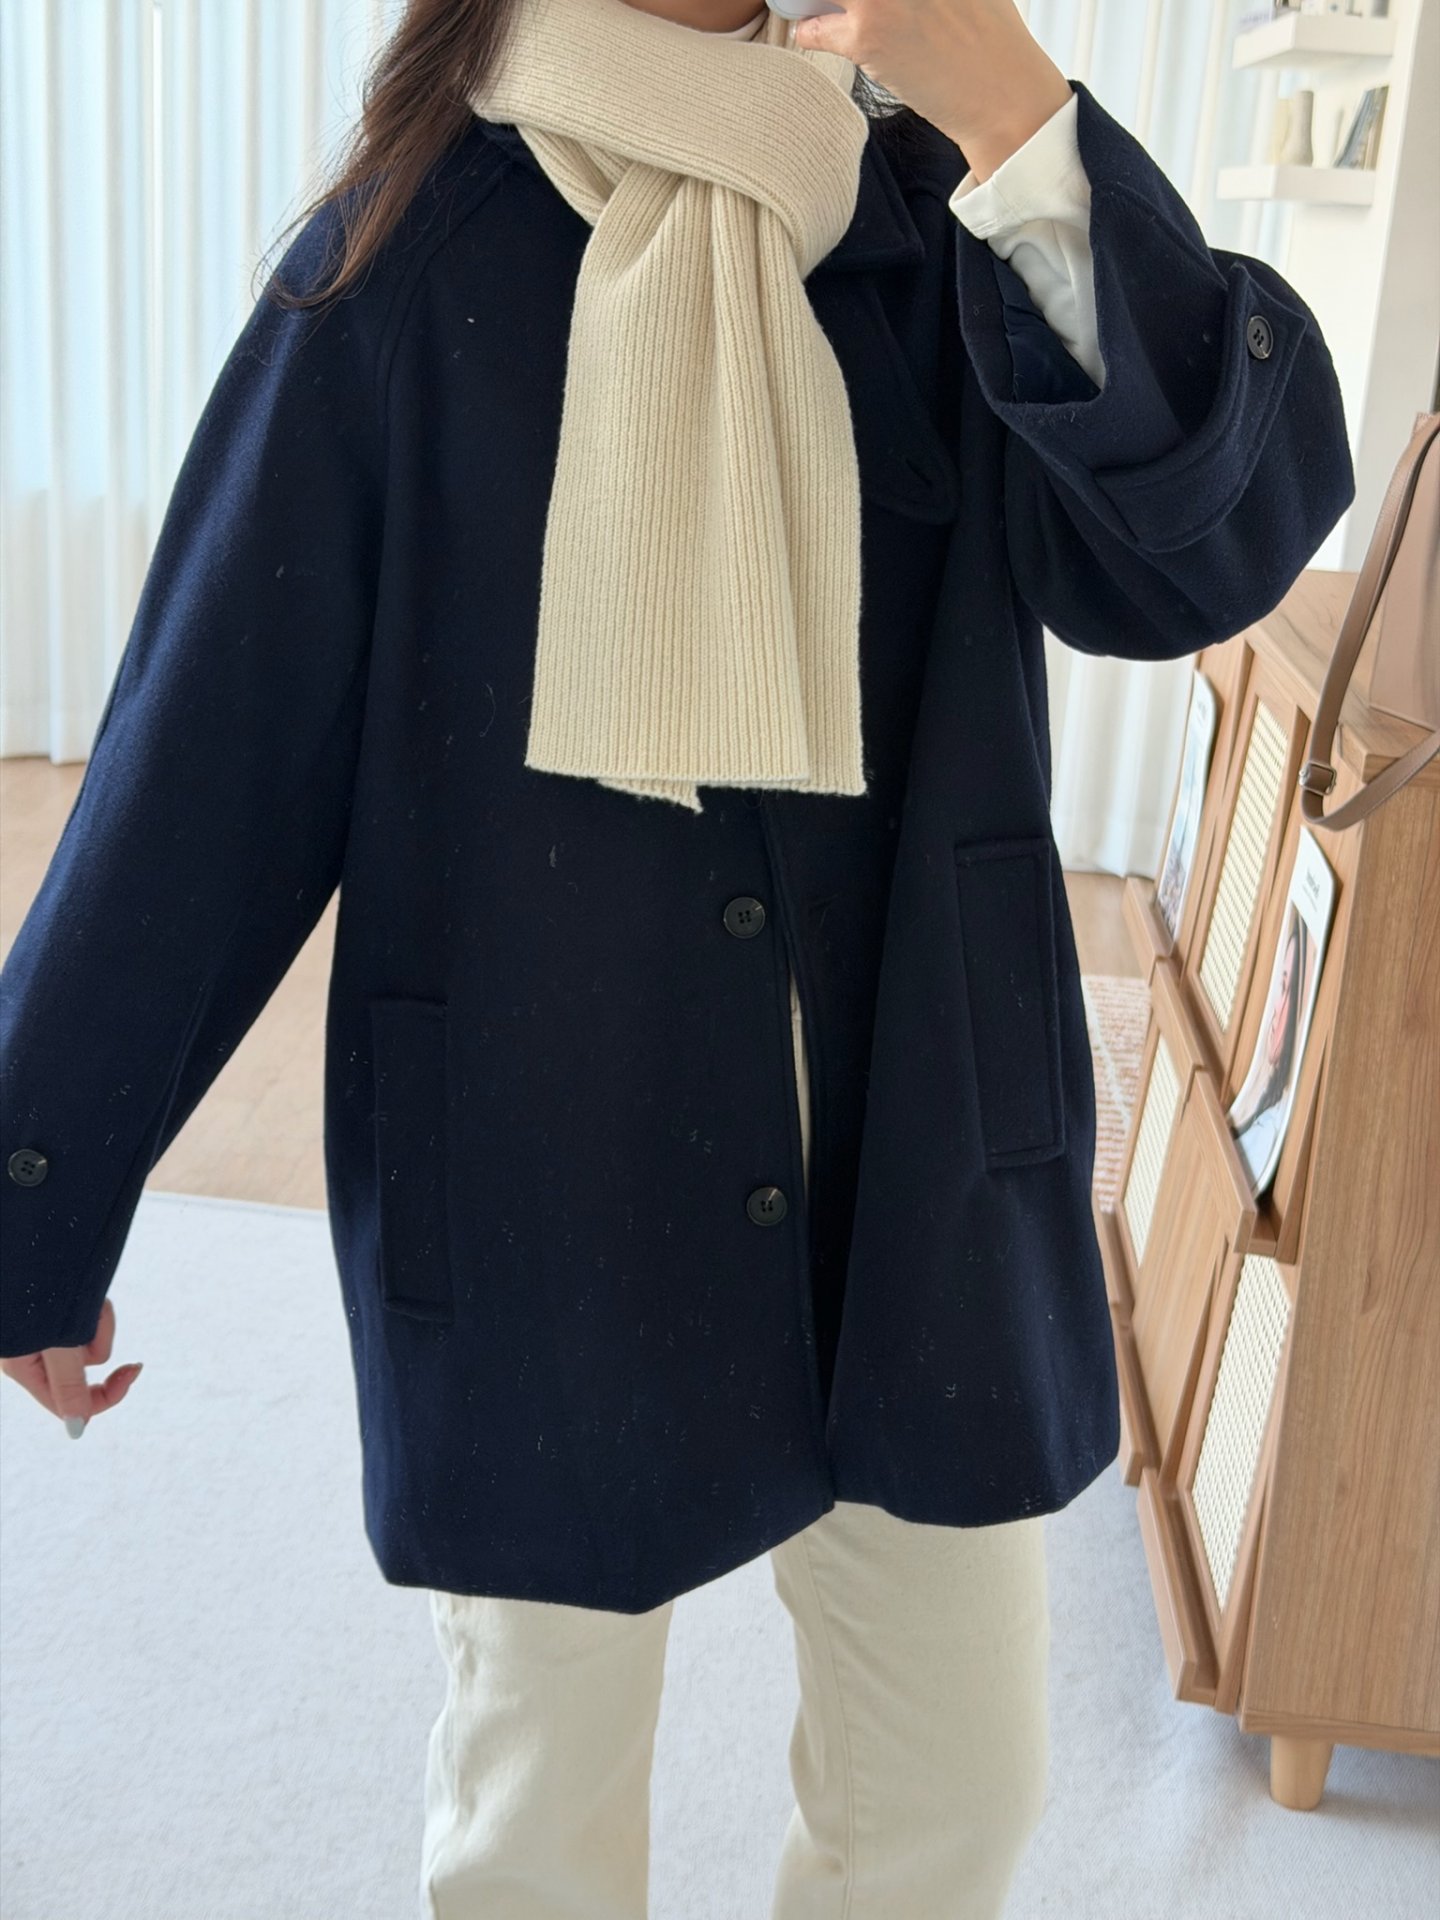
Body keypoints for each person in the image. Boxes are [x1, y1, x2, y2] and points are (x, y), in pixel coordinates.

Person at [0, 1, 1355, 1914]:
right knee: (537, 1822)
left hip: (920, 1169)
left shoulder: (935, 222)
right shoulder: (403, 267)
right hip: (550, 1151)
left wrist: (1018, 112)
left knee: (957, 1793)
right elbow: (207, 760)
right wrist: (38, 1192)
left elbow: (1206, 557)